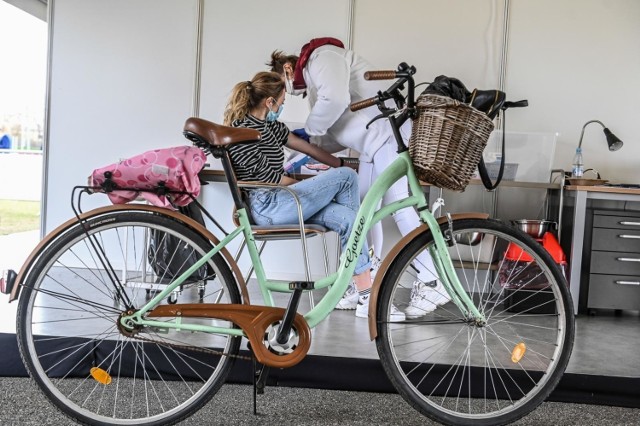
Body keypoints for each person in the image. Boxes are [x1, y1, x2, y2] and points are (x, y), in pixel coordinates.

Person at [267, 38, 451, 319]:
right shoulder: (317, 87)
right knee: (361, 211)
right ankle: (365, 283)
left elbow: (336, 101)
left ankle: (431, 281)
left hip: (387, 139)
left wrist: (310, 130)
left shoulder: (321, 57)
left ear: (289, 68)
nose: (287, 93)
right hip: (371, 145)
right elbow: (333, 132)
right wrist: (305, 145)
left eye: (283, 84)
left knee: (401, 206)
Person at [223, 71, 405, 322]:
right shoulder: (240, 131)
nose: (283, 105)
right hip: (267, 206)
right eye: (282, 100)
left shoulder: (273, 127)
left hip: (285, 199)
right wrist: (332, 178)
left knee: (346, 218)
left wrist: (341, 162)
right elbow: (270, 180)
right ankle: (352, 282)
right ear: (269, 102)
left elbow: (308, 148)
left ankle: (363, 295)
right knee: (346, 179)